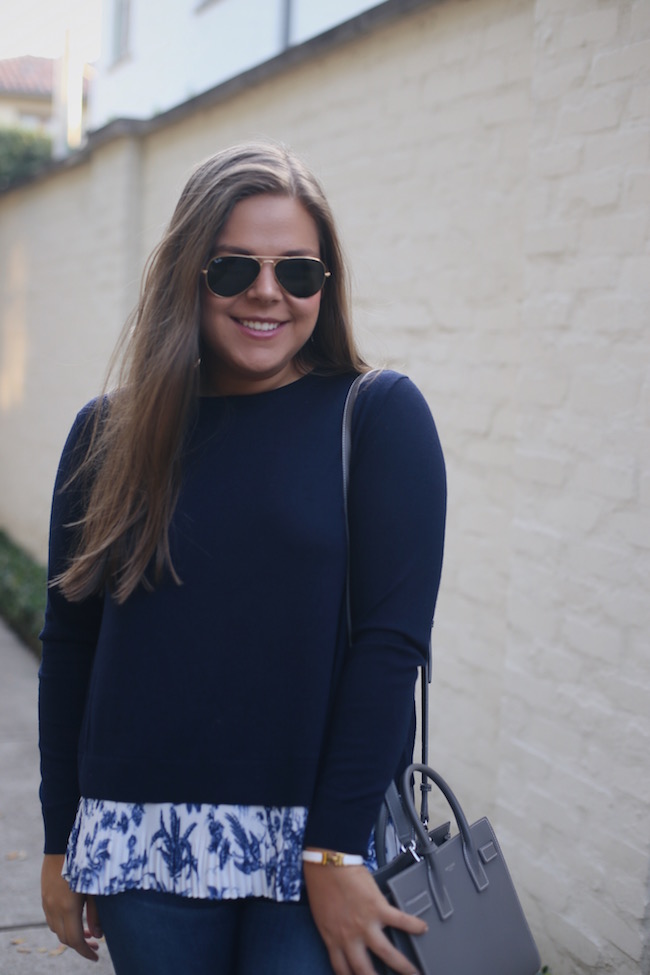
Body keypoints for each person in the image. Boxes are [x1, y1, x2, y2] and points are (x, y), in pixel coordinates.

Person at [38, 142, 446, 975]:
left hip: (316, 845)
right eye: (233, 268)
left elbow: (391, 646)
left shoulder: (376, 416)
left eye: (298, 271)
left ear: (325, 284)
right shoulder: (107, 433)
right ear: (188, 275)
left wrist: (335, 847)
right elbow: (71, 644)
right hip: (141, 843)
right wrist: (58, 840)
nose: (267, 292)